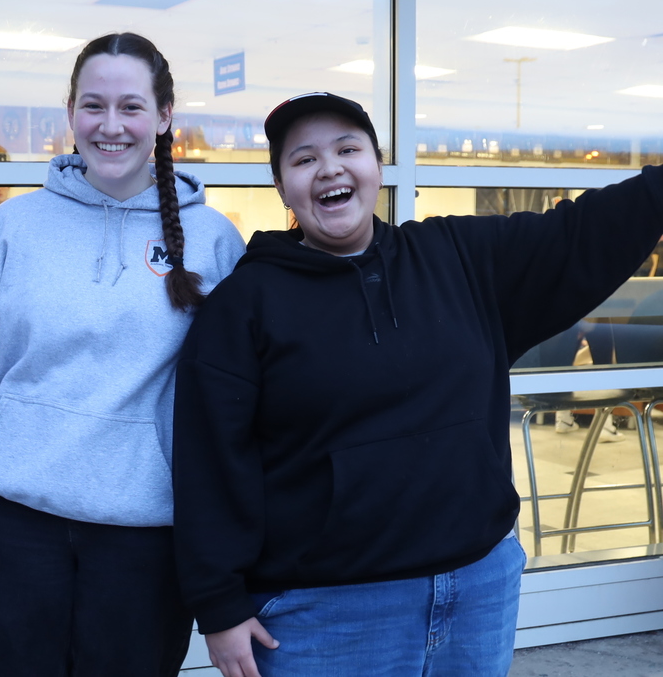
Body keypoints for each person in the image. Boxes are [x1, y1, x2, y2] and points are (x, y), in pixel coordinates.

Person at [171, 92, 663, 677]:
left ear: (377, 166)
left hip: (478, 588)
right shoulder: (246, 305)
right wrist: (219, 606)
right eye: (303, 160)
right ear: (282, 187)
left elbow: (579, 234)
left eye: (347, 149)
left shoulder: (457, 256)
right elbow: (209, 461)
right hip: (328, 612)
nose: (329, 168)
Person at [0, 32, 246, 676]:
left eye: (131, 107)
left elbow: (233, 411)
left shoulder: (213, 240)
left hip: (147, 539)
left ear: (162, 118)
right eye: (92, 105)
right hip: (11, 529)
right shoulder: (12, 229)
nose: (110, 126)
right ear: (70, 112)